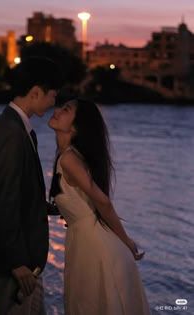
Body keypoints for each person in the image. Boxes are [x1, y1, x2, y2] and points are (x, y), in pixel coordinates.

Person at [0, 56, 62, 315]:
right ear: (36, 92)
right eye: (53, 95)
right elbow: (4, 200)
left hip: (24, 261)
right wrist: (17, 263)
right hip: (14, 265)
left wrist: (54, 208)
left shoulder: (18, 128)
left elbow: (19, 194)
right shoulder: (10, 132)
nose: (54, 102)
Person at [48, 98, 151, 315]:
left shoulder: (69, 159)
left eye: (65, 110)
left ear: (75, 127)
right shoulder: (68, 156)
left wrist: (127, 242)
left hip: (96, 247)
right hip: (86, 240)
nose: (57, 111)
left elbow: (102, 200)